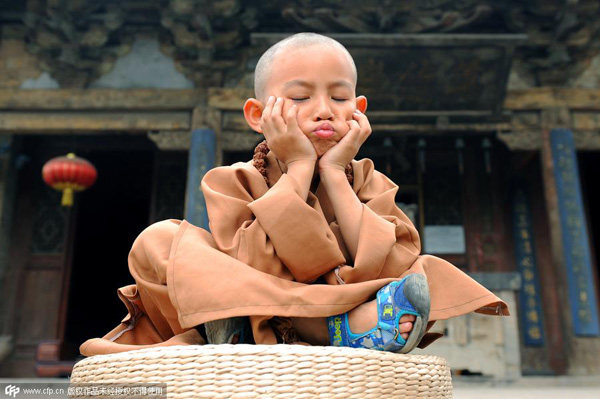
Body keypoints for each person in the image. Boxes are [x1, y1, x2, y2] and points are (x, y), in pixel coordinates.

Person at [79, 33, 509, 357]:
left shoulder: (369, 181)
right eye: (301, 96)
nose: (324, 108)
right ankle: (257, 329)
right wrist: (300, 168)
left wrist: (335, 175)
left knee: (420, 271)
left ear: (359, 109)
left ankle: (343, 329)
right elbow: (253, 263)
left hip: (333, 308)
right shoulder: (234, 180)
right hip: (249, 301)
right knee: (162, 240)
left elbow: (386, 264)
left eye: (340, 97)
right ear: (257, 114)